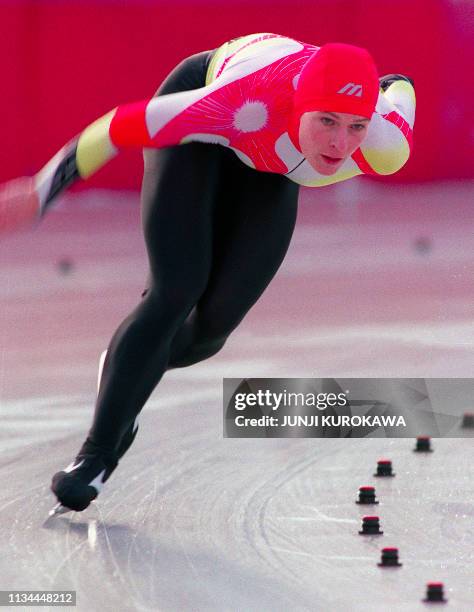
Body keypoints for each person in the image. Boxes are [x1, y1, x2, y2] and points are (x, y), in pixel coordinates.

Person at [0, 33, 416, 512]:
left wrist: (382, 94)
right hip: (217, 128)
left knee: (210, 331)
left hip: (273, 163)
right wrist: (42, 190)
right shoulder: (231, 103)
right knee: (176, 289)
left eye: (355, 127)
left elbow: (400, 85)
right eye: (326, 121)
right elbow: (115, 128)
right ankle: (97, 454)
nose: (340, 144)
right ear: (301, 105)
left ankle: (127, 364)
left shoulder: (386, 144)